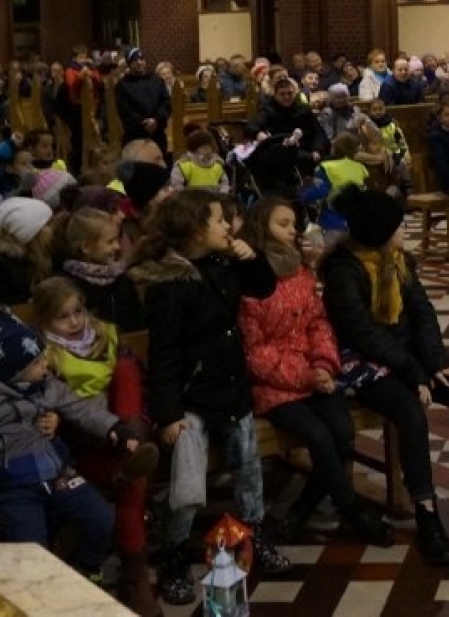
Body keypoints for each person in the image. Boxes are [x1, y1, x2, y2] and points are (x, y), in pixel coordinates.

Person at [320, 187, 449, 568]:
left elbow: (423, 312)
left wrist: (434, 362)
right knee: (411, 414)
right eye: (398, 225)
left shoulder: (399, 260)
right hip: (363, 365)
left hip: (407, 359)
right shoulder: (342, 272)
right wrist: (413, 372)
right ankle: (427, 512)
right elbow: (363, 333)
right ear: (379, 230)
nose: (404, 231)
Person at [128, 188, 289, 605]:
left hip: (231, 390)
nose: (228, 226)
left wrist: (248, 256)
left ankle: (254, 535)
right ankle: (175, 554)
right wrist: (168, 416)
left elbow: (263, 289)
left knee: (249, 471)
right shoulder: (170, 285)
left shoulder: (222, 263)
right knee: (188, 487)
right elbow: (163, 356)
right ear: (196, 229)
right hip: (190, 400)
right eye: (219, 220)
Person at [0, 310, 142, 582]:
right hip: (13, 488)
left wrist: (113, 427)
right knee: (33, 551)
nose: (45, 365)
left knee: (101, 517)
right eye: (36, 363)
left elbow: (79, 408)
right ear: (13, 373)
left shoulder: (45, 385)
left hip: (57, 474)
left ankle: (88, 570)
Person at [238, 199, 395, 548]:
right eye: (283, 224)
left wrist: (324, 366)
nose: (292, 230)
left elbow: (319, 324)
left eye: (293, 223)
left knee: (341, 432)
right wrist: (306, 376)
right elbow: (255, 350)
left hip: (314, 375)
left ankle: (300, 511)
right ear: (262, 228)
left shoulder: (302, 272)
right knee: (320, 437)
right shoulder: (251, 278)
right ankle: (353, 509)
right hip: (274, 385)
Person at [31, 276, 161, 615]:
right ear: (45, 321)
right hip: (83, 436)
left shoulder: (106, 335)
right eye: (63, 317)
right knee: (131, 480)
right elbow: (62, 405)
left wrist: (125, 425)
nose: (75, 322)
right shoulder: (47, 356)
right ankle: (138, 578)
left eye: (78, 312)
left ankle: (130, 449)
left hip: (124, 423)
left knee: (126, 371)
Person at [114, 49, 172, 158]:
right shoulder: (123, 85)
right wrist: (142, 122)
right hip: (135, 135)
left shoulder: (157, 80)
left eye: (142, 59)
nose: (140, 62)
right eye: (135, 60)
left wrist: (156, 119)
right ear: (129, 63)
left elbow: (166, 102)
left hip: (157, 132)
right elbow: (125, 110)